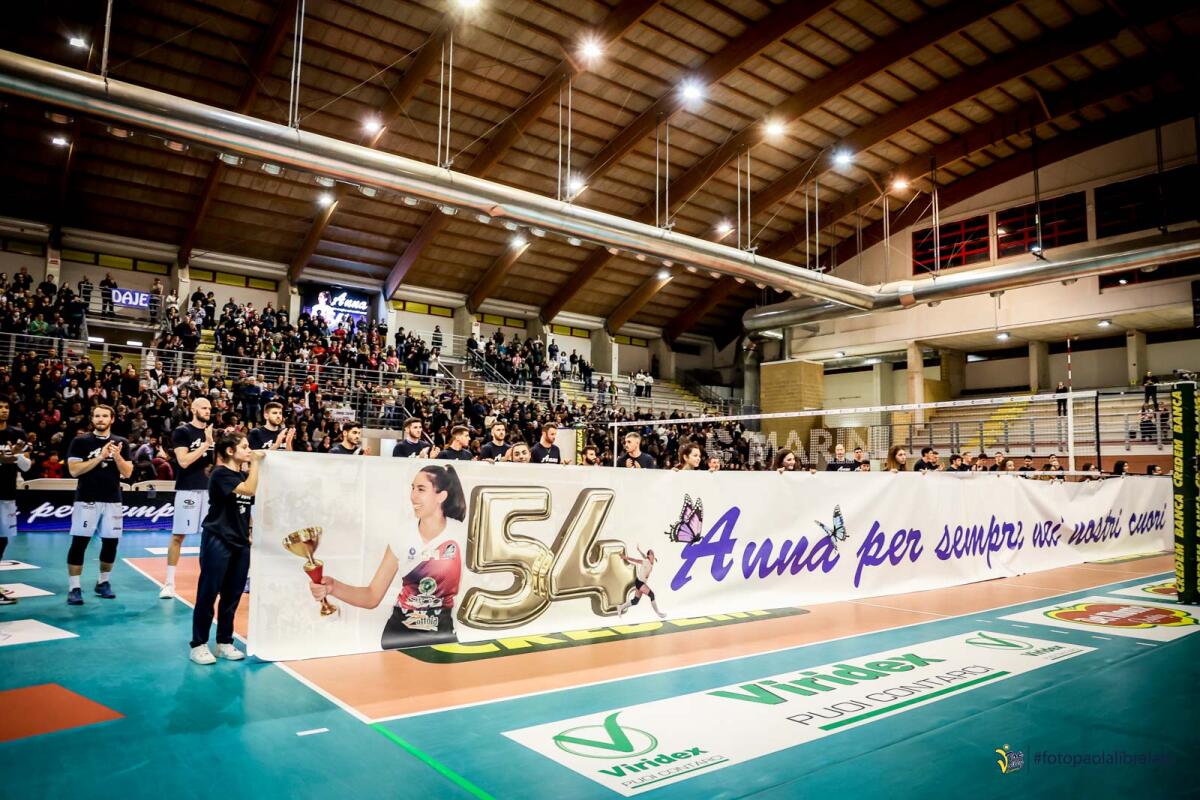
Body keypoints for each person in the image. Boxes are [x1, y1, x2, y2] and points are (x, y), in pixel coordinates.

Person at [310, 465, 466, 649]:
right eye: (412, 488)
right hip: (399, 635)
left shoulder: (461, 533)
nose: (413, 496)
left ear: (441, 496)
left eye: (421, 489)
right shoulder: (402, 535)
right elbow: (372, 596)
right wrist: (333, 587)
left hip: (442, 634)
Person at [189, 432, 264, 665]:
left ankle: (223, 642)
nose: (249, 450)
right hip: (218, 539)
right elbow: (249, 491)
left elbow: (245, 507)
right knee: (208, 593)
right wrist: (256, 464)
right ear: (231, 451)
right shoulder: (220, 474)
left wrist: (249, 531)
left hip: (240, 543)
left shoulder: (241, 474)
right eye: (244, 447)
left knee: (232, 596)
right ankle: (199, 645)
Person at [65, 406, 133, 605]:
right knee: (80, 543)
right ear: (92, 419)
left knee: (111, 543)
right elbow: (75, 471)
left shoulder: (122, 442)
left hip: (112, 500)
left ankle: (103, 582)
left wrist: (117, 456)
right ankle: (74, 587)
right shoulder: (80, 441)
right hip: (87, 499)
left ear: (112, 419)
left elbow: (128, 473)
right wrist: (101, 457)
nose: (100, 419)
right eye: (97, 416)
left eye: (104, 416)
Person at [161, 398, 215, 600]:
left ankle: (209, 581)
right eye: (203, 407)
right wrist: (207, 444)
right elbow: (183, 462)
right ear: (193, 409)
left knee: (210, 538)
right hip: (188, 489)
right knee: (178, 536)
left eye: (209, 408)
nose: (208, 410)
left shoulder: (211, 433)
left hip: (210, 491)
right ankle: (169, 583)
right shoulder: (182, 432)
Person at [0, 399, 30, 605]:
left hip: (6, 494)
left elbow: (26, 467)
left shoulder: (17, 434)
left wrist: (17, 456)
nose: (3, 410)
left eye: (6, 407)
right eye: (0, 406)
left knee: (2, 540)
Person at [617, 547, 665, 619]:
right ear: (649, 556)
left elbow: (643, 555)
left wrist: (639, 550)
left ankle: (620, 607)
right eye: (651, 553)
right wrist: (624, 557)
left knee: (635, 601)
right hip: (640, 582)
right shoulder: (646, 561)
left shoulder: (652, 561)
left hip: (639, 582)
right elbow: (636, 560)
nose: (653, 554)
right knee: (652, 595)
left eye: (653, 553)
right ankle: (658, 613)